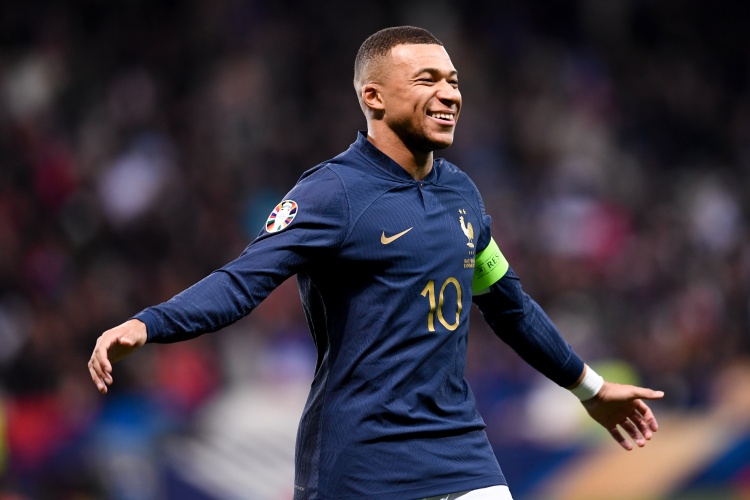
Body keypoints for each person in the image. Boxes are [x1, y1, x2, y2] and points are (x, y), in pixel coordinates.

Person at [88, 26, 664, 500]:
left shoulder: (462, 195)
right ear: (374, 98)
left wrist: (589, 388)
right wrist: (149, 323)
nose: (450, 94)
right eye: (427, 80)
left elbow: (508, 304)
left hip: (459, 451)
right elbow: (242, 281)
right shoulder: (331, 194)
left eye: (453, 81)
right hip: (360, 463)